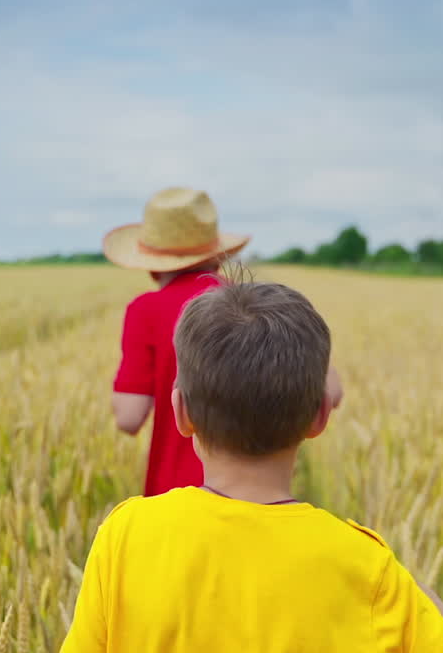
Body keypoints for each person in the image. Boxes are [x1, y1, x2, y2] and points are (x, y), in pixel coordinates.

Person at [43, 280, 443, 653]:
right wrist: (396, 577)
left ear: (180, 411)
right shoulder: (365, 566)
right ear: (320, 416)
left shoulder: (126, 534)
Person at [103, 187, 341, 496]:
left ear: (149, 262)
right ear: (215, 252)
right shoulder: (249, 309)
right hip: (263, 498)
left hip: (176, 498)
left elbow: (129, 417)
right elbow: (331, 391)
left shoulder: (145, 311)